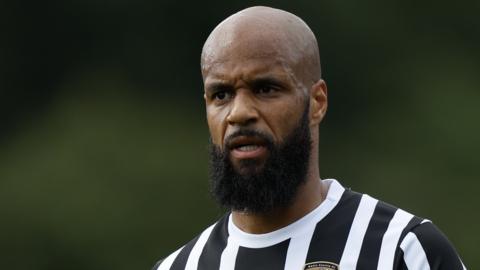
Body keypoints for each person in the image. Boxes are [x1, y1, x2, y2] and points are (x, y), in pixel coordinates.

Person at [152, 6, 466, 270]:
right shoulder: (178, 266)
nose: (239, 113)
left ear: (317, 102)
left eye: (266, 89)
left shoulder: (404, 250)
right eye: (221, 94)